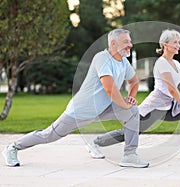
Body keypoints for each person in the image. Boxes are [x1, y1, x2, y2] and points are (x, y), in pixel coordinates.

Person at [2, 29, 149, 168]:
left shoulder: (123, 62)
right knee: (48, 135)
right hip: (80, 111)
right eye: (126, 41)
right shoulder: (102, 59)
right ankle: (13, 147)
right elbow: (110, 89)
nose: (130, 44)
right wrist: (123, 104)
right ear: (113, 44)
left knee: (133, 111)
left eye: (130, 41)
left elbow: (134, 81)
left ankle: (130, 155)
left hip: (104, 108)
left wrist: (130, 99)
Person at [88, 29, 180, 160]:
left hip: (169, 107)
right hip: (154, 108)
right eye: (175, 42)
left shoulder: (176, 64)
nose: (178, 45)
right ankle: (96, 142)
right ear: (165, 45)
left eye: (179, 42)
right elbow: (171, 88)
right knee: (130, 132)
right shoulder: (161, 63)